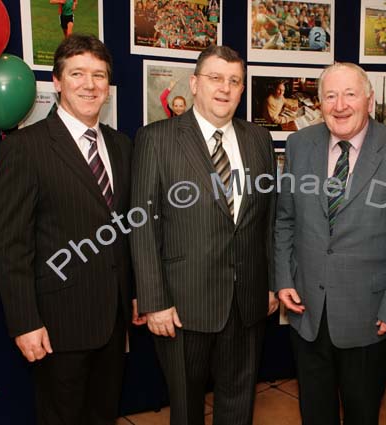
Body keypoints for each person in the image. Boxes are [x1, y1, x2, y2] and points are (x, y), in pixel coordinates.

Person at [0, 34, 145, 425]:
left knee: (103, 414)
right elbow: (11, 246)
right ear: (57, 81)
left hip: (112, 320)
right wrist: (25, 322)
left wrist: (133, 293)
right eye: (77, 73)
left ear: (109, 87)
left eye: (99, 75)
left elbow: (124, 228)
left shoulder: (121, 145)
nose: (89, 84)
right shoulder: (25, 147)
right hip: (56, 323)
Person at [131, 45, 279, 425]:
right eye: (215, 78)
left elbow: (267, 218)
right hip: (181, 305)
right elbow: (144, 225)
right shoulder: (156, 139)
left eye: (234, 81)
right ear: (194, 84)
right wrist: (154, 300)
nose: (224, 89)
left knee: (238, 406)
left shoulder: (259, 140)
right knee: (186, 408)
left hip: (246, 302)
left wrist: (270, 285)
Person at [275, 62, 386, 425]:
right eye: (330, 95)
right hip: (307, 312)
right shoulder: (299, 144)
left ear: (370, 100)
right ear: (320, 102)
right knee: (315, 411)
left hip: (370, 318)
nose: (339, 105)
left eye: (349, 94)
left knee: (362, 412)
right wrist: (283, 279)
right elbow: (284, 220)